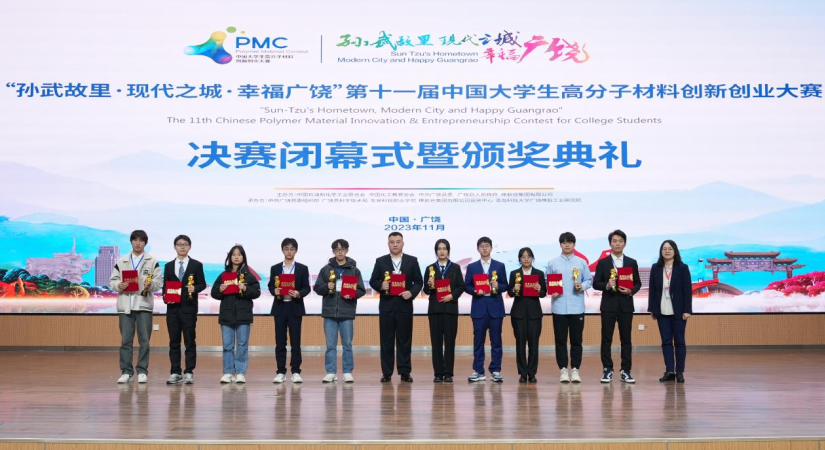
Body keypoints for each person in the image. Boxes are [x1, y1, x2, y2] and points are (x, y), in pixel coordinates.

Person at [109, 230, 163, 384]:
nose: (138, 243)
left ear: (145, 243)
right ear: (131, 242)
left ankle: (142, 371)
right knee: (126, 341)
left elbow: (159, 283)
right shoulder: (122, 261)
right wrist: (118, 285)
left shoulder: (152, 261)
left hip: (143, 305)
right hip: (125, 305)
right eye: (135, 240)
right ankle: (126, 371)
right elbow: (112, 281)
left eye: (141, 240)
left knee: (144, 341)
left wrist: (150, 285)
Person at [369, 232, 423, 383]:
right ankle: (386, 373)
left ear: (403, 243)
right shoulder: (381, 261)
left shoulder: (412, 261)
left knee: (404, 340)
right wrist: (381, 285)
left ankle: (405, 372)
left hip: (405, 305)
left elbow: (419, 282)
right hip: (387, 306)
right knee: (386, 340)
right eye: (392, 242)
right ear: (388, 244)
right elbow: (373, 281)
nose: (395, 244)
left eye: (398, 241)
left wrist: (411, 292)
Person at [313, 239, 366, 383]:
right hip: (330, 313)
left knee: (347, 344)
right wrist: (326, 286)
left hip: (347, 312)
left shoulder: (354, 270)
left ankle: (347, 372)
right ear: (333, 252)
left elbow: (361, 290)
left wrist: (352, 294)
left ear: (347, 250)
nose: (340, 252)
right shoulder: (326, 269)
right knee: (330, 345)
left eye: (342, 249)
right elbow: (317, 288)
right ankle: (331, 372)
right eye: (337, 250)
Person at [593, 230, 642, 384]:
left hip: (626, 305)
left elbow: (638, 283)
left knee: (626, 340)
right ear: (610, 244)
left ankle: (625, 371)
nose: (617, 244)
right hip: (608, 305)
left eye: (620, 241)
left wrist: (631, 291)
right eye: (614, 241)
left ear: (625, 243)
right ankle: (607, 369)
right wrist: (607, 285)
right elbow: (596, 283)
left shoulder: (631, 262)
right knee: (606, 339)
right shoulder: (603, 262)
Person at [547, 232, 593, 384]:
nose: (567, 245)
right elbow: (548, 281)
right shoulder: (553, 263)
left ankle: (575, 370)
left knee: (576, 341)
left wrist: (582, 286)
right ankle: (563, 370)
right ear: (560, 244)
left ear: (574, 244)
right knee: (560, 341)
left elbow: (589, 280)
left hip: (577, 307)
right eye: (564, 242)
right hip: (559, 307)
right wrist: (551, 291)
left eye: (570, 242)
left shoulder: (581, 263)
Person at [211, 245, 260, 384]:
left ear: (243, 257)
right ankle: (228, 372)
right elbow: (214, 293)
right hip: (227, 314)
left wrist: (245, 288)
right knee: (227, 345)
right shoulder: (223, 275)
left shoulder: (249, 275)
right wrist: (220, 290)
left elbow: (257, 292)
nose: (236, 257)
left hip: (244, 315)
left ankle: (240, 373)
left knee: (242, 344)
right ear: (229, 257)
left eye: (239, 254)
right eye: (234, 255)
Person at [162, 235, 206, 385]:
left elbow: (202, 284)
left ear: (190, 247)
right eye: (179, 244)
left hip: (189, 309)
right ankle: (175, 372)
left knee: (189, 342)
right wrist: (166, 298)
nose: (182, 247)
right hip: (172, 310)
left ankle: (189, 372)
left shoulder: (196, 265)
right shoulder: (168, 266)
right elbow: (165, 287)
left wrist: (195, 288)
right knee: (174, 342)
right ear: (174, 247)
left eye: (185, 244)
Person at [464, 236, 509, 383]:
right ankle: (478, 371)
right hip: (479, 307)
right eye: (482, 246)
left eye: (487, 245)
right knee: (478, 341)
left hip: (495, 308)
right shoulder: (472, 267)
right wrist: (474, 291)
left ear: (491, 248)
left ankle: (496, 370)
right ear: (478, 249)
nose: (484, 248)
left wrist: (498, 286)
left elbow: (505, 285)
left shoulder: (499, 266)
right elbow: (467, 286)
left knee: (496, 341)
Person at [268, 238, 311, 384]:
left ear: (296, 251)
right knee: (280, 342)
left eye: (292, 249)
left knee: (295, 342)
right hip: (280, 307)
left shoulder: (302, 268)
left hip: (295, 307)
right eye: (286, 248)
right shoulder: (275, 268)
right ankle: (280, 371)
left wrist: (299, 293)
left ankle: (296, 371)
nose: (289, 251)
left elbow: (306, 288)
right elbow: (271, 286)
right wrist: (274, 291)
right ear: (282, 250)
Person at [648, 240, 692, 383]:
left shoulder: (682, 268)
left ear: (675, 251)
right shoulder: (656, 268)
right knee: (666, 342)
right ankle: (669, 371)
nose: (667, 251)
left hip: (678, 311)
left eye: (670, 249)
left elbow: (687, 291)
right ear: (661, 251)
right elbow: (652, 290)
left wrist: (687, 310)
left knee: (679, 342)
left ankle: (679, 372)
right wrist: (652, 309)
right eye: (664, 249)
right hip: (662, 310)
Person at [421, 239, 464, 383]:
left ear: (448, 251)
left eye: (444, 248)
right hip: (435, 309)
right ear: (436, 251)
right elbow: (426, 290)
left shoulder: (455, 268)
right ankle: (438, 373)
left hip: (450, 309)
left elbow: (461, 287)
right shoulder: (430, 268)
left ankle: (448, 373)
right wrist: (430, 285)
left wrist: (452, 296)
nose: (442, 251)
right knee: (436, 343)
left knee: (450, 342)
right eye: (439, 249)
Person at [507, 247, 547, 383]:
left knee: (534, 345)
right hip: (518, 314)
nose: (526, 259)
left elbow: (543, 293)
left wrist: (539, 289)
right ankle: (523, 373)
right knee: (520, 344)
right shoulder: (514, 273)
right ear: (519, 259)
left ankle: (532, 373)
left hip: (535, 314)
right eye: (523, 257)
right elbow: (510, 293)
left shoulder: (539, 273)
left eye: (528, 256)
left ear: (532, 258)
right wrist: (514, 289)